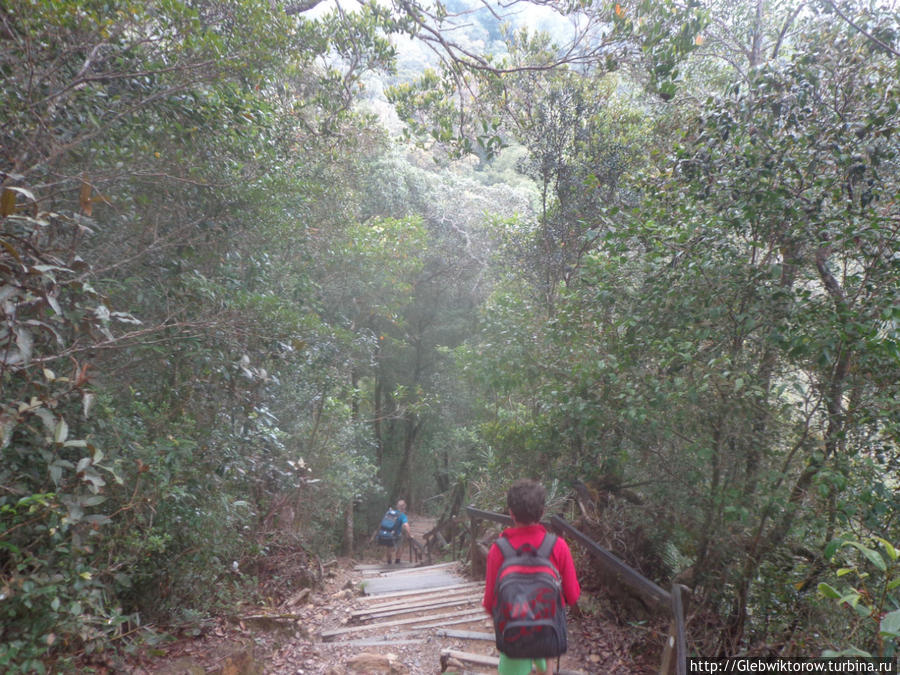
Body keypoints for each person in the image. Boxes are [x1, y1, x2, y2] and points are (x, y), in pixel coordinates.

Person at [482, 479, 580, 675]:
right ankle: (545, 669)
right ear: (542, 512)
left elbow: (489, 603)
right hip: (546, 633)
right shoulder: (558, 546)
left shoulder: (499, 549)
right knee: (546, 649)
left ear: (511, 513)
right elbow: (572, 596)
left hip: (513, 631)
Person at [386, 499, 411, 564]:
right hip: (397, 534)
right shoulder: (402, 515)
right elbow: (406, 525)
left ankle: (389, 562)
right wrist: (409, 534)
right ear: (404, 506)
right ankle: (397, 561)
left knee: (389, 549)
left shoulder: (391, 512)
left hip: (389, 534)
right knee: (399, 547)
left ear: (397, 506)